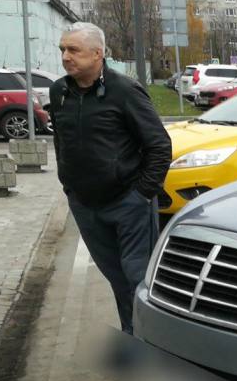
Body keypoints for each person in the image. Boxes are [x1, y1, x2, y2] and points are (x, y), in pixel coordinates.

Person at [49, 22, 172, 334]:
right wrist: (69, 187)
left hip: (128, 202)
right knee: (117, 278)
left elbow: (158, 145)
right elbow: (61, 141)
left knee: (138, 277)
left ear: (97, 54)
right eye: (63, 49)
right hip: (85, 205)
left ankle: (154, 342)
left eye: (73, 49)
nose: (66, 56)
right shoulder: (59, 91)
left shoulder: (124, 91)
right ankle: (133, 337)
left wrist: (143, 193)